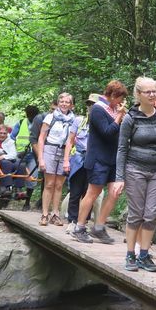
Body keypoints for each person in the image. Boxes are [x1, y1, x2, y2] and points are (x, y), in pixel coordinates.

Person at [111, 77, 156, 272]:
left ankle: (144, 255)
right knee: (136, 214)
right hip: (135, 170)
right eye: (148, 92)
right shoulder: (130, 118)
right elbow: (122, 149)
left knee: (152, 215)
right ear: (138, 95)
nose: (153, 95)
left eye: (154, 91)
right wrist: (119, 178)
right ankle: (131, 254)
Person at [71, 80, 128, 244]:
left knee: (114, 192)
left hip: (112, 159)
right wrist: (118, 118)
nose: (121, 102)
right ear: (112, 95)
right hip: (98, 159)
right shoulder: (98, 109)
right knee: (93, 193)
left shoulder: (113, 110)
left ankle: (99, 227)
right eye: (119, 98)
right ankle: (79, 227)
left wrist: (120, 117)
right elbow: (107, 132)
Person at [37, 93, 75, 226]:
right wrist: (41, 158)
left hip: (65, 151)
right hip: (50, 149)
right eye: (62, 101)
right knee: (49, 184)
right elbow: (41, 137)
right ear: (58, 103)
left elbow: (72, 140)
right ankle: (44, 214)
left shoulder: (73, 120)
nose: (64, 104)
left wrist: (67, 159)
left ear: (72, 105)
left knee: (59, 185)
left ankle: (55, 213)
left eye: (67, 102)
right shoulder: (50, 117)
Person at [64, 94, 99, 233]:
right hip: (78, 159)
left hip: (94, 161)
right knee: (75, 192)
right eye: (89, 105)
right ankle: (72, 221)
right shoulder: (79, 121)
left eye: (94, 105)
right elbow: (70, 141)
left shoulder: (102, 123)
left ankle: (83, 221)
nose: (91, 107)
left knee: (89, 193)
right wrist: (66, 160)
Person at [0, 124, 28, 196]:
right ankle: (5, 187)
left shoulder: (10, 141)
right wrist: (0, 151)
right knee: (6, 163)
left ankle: (18, 189)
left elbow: (13, 154)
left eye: (4, 133)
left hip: (6, 161)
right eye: (0, 133)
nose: (2, 135)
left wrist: (3, 156)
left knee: (20, 164)